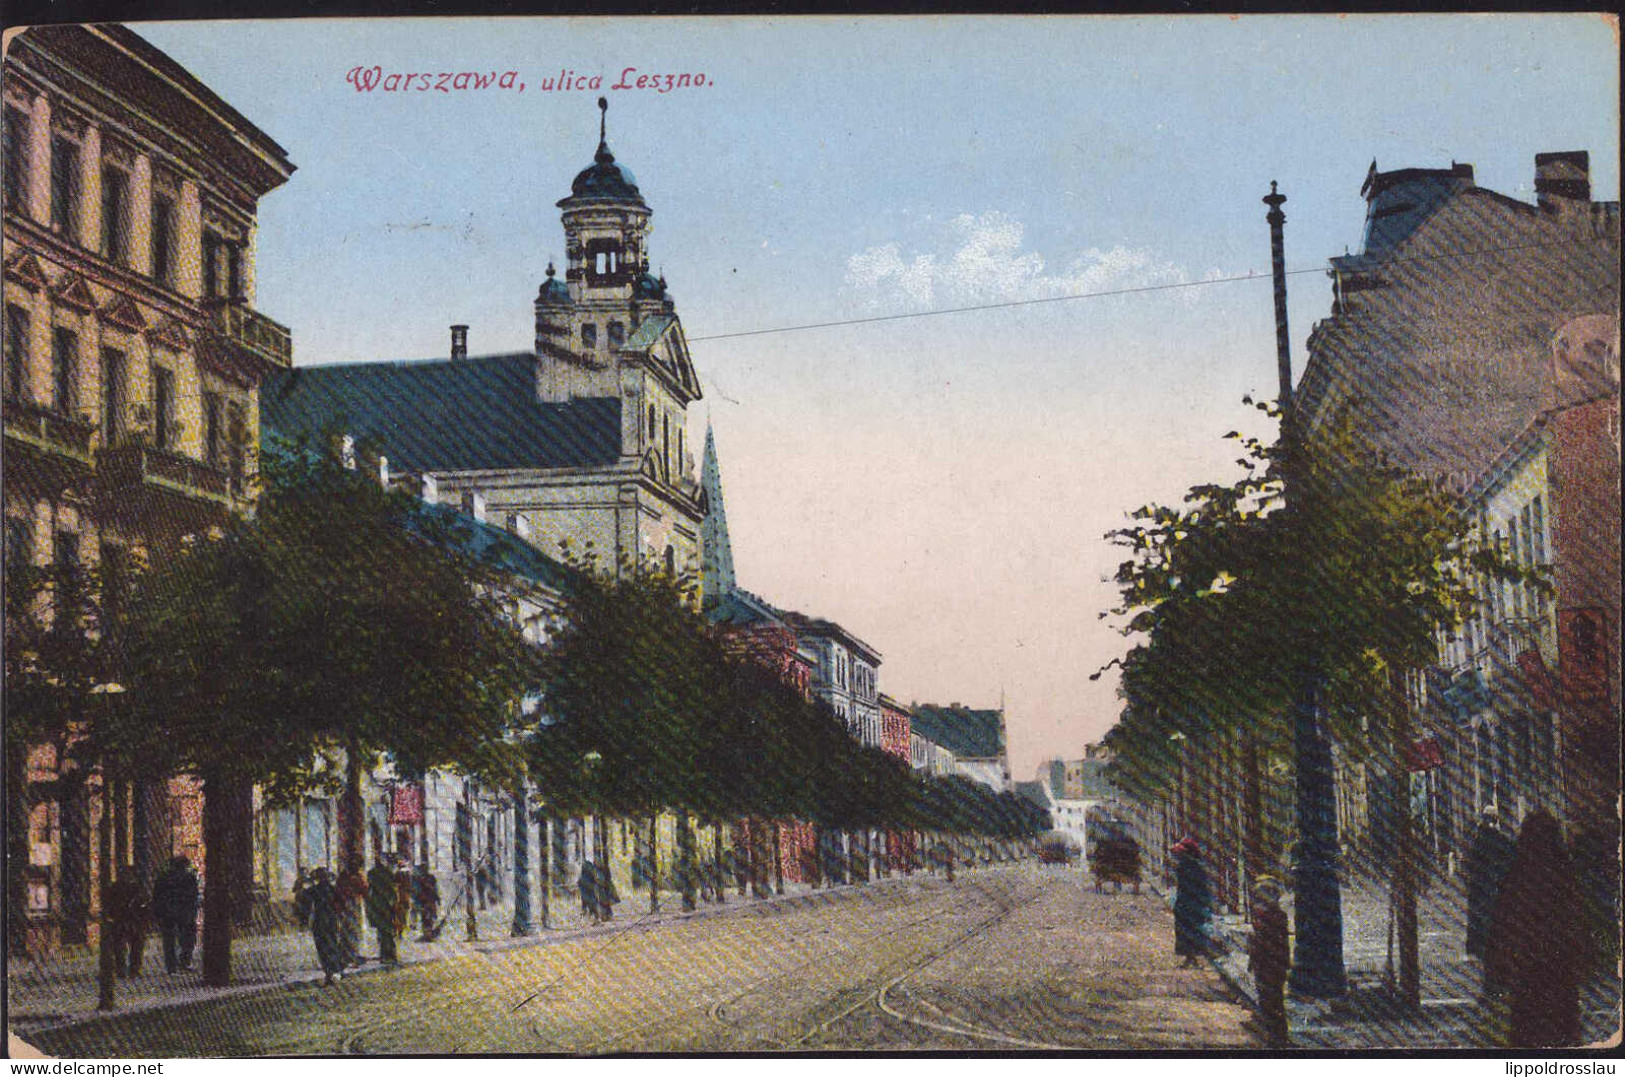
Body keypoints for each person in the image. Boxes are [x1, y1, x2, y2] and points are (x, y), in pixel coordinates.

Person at [1484, 810, 1583, 1047]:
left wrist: (1498, 964)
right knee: (1561, 1030)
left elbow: (1502, 918)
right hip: (1559, 964)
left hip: (1527, 966)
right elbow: (1575, 915)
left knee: (1527, 1030)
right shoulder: (1563, 869)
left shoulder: (1517, 870)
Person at [1465, 804, 1516, 960]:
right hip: (1492, 884)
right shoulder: (1499, 838)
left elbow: (1471, 863)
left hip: (1481, 884)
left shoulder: (1478, 838)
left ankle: (1478, 947)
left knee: (1479, 915)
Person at [1248, 876, 1291, 1046]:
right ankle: (1275, 1035)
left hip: (1270, 964)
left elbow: (1270, 942)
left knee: (1271, 1001)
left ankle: (1276, 1037)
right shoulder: (1273, 914)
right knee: (1270, 1000)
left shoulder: (1270, 915)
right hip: (1268, 964)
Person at [151, 855, 199, 974]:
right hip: (184, 912)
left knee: (169, 940)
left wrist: (158, 912)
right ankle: (185, 961)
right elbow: (193, 895)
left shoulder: (163, 878)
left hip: (168, 912)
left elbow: (156, 896)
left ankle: (171, 966)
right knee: (187, 938)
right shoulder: (189, 877)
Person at [297, 867, 344, 985]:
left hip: (319, 921)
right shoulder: (333, 889)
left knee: (322, 947)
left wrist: (303, 921)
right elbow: (343, 903)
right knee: (332, 944)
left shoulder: (314, 890)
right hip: (332, 920)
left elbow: (304, 904)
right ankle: (335, 970)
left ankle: (329, 971)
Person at [1172, 836, 1212, 967]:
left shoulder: (1190, 867)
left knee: (1189, 930)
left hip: (1190, 903)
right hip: (1188, 902)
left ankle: (1191, 956)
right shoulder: (1191, 866)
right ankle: (1191, 957)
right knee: (1189, 930)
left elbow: (1201, 887)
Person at [105, 875, 148, 978]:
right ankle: (133, 969)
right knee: (135, 946)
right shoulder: (138, 887)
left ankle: (122, 969)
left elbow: (109, 904)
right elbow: (144, 903)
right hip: (134, 920)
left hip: (121, 920)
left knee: (120, 946)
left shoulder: (115, 887)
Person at [335, 858, 368, 968]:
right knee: (353, 931)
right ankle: (351, 957)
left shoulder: (342, 876)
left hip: (344, 905)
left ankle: (346, 956)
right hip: (353, 904)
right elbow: (365, 889)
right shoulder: (357, 877)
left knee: (346, 932)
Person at [365, 857, 399, 965]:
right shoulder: (387, 879)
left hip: (380, 908)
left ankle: (386, 956)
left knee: (383, 933)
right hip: (386, 908)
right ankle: (389, 955)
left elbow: (369, 897)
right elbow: (393, 895)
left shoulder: (374, 883)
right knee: (387, 932)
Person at [413, 863, 441, 941]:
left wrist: (437, 898)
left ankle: (428, 934)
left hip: (429, 900)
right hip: (425, 901)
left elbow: (435, 888)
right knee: (426, 917)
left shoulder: (429, 878)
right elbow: (417, 891)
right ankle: (427, 934)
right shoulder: (420, 879)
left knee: (428, 917)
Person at [392, 861, 412, 945]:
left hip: (398, 897)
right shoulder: (408, 873)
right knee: (404, 915)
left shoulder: (397, 873)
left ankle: (398, 932)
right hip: (405, 897)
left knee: (397, 915)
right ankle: (401, 932)